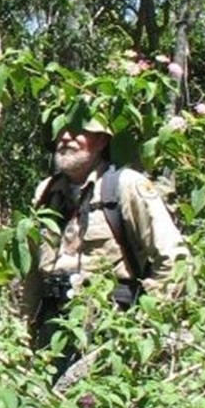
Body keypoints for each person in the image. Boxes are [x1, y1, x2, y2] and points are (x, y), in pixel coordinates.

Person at [22, 107, 190, 371]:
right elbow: (31, 271)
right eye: (61, 130)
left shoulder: (126, 186)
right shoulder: (47, 192)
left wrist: (144, 324)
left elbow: (174, 257)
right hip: (51, 326)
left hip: (108, 327)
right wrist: (24, 329)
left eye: (78, 130)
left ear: (101, 140)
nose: (66, 137)